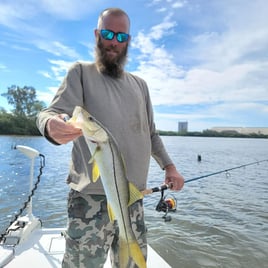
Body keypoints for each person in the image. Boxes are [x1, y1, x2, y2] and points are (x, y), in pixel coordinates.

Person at [36, 7, 184, 268]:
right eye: (107, 33)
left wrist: (169, 166)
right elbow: (50, 113)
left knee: (134, 264)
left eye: (120, 36)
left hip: (133, 198)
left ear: (128, 40)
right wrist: (51, 126)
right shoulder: (80, 72)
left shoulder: (141, 85)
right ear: (96, 35)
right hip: (90, 200)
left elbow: (151, 133)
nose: (114, 42)